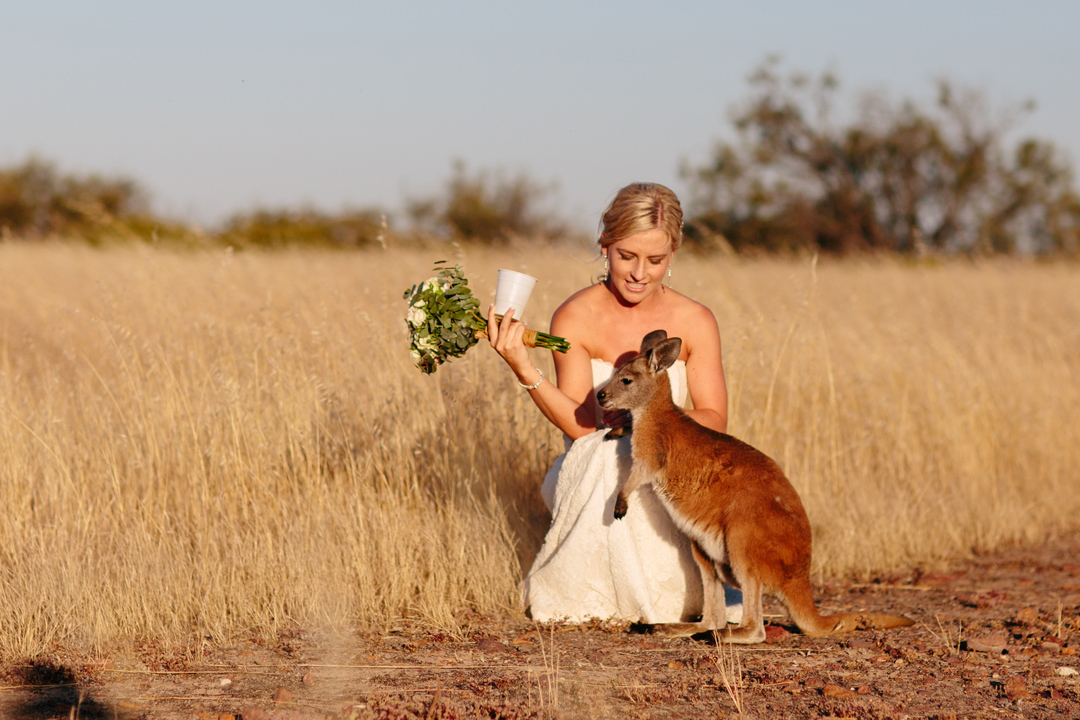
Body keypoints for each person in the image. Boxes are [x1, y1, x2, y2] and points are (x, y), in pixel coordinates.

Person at [487, 182, 741, 624]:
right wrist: (523, 366)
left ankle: (673, 598)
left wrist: (649, 420)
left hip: (670, 464)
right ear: (605, 245)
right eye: (627, 256)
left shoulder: (695, 320)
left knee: (640, 458)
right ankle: (594, 599)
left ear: (673, 255)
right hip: (593, 468)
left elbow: (715, 420)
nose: (640, 272)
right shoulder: (574, 316)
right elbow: (583, 428)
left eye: (655, 260)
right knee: (611, 456)